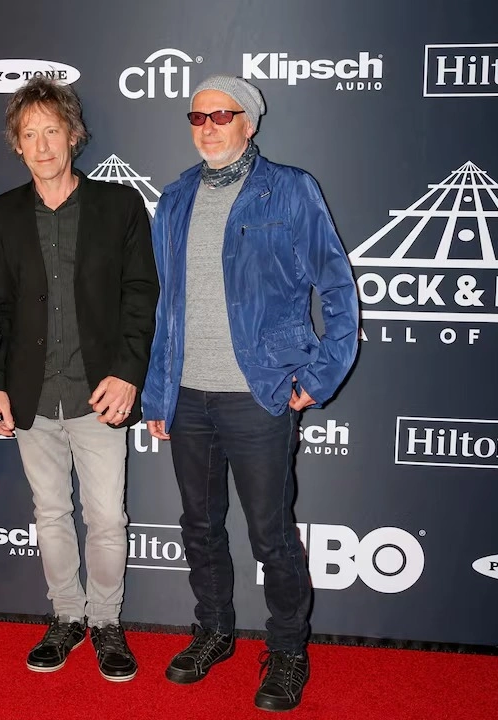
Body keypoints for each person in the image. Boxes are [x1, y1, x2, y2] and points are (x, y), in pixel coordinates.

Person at [142, 75, 359, 711]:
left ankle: (288, 650)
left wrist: (318, 375)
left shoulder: (290, 189)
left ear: (250, 123)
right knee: (200, 526)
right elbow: (165, 306)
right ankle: (213, 631)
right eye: (197, 117)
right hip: (188, 395)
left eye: (222, 115)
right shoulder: (175, 197)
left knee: (271, 533)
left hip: (259, 394)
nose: (208, 127)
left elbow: (338, 289)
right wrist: (158, 393)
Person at [0, 76, 159, 682]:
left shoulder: (118, 206)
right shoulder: (5, 214)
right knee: (51, 513)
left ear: (73, 135)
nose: (42, 145)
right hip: (31, 395)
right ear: (17, 144)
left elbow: (141, 296)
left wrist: (128, 374)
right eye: (29, 134)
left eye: (51, 131)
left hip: (99, 395)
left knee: (107, 517)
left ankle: (106, 622)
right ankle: (66, 618)